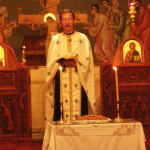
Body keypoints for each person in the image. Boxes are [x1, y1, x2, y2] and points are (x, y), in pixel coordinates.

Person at [44, 9, 96, 123]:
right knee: (59, 106)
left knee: (81, 111)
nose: (67, 22)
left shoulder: (83, 39)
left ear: (73, 21)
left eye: (69, 19)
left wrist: (76, 63)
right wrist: (61, 63)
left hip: (79, 79)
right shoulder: (55, 40)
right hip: (61, 79)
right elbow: (50, 63)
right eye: (64, 20)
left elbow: (88, 62)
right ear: (60, 22)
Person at [130, 0, 150, 64]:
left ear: (139, 2)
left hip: (147, 32)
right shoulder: (138, 11)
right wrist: (133, 25)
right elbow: (139, 23)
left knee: (146, 48)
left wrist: (137, 29)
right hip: (143, 33)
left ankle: (148, 64)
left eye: (137, 2)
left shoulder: (145, 10)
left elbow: (145, 23)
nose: (135, 4)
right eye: (134, 3)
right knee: (143, 49)